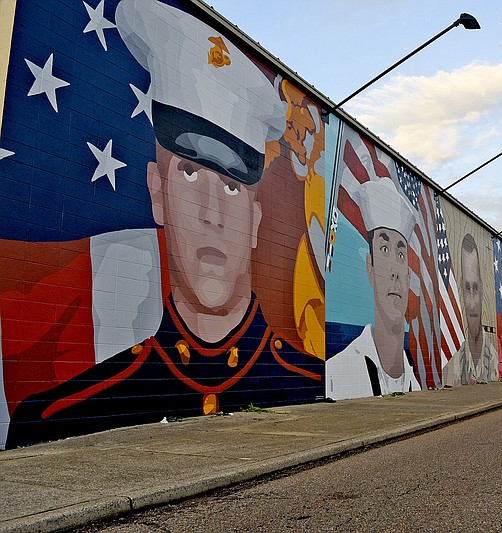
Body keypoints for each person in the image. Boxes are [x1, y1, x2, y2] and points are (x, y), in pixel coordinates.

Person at [6, 0, 324, 448]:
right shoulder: (63, 417)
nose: (212, 213)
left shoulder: (309, 384)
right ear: (157, 193)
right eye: (190, 174)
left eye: (233, 186)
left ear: (255, 220)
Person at [326, 179, 422, 399]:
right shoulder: (336, 376)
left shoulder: (414, 384)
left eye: (400, 254)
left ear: (408, 276)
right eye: (384, 248)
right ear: (370, 267)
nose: (394, 271)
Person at [442, 234, 498, 386]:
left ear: (482, 290)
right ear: (460, 289)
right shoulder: (451, 365)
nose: (472, 301)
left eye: (475, 288)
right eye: (467, 288)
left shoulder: (494, 358)